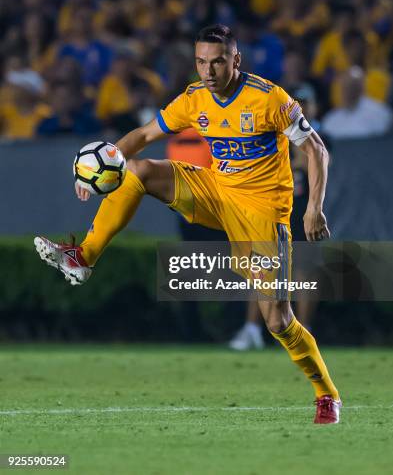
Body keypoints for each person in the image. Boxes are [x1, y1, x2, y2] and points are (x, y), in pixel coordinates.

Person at [34, 24, 341, 424]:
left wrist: (313, 208)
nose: (208, 71)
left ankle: (326, 394)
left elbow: (316, 149)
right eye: (201, 62)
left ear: (236, 60)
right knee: (139, 170)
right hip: (215, 191)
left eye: (217, 62)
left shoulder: (269, 99)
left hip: (261, 211)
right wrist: (97, 168)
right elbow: (144, 134)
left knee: (277, 319)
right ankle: (82, 257)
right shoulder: (195, 98)